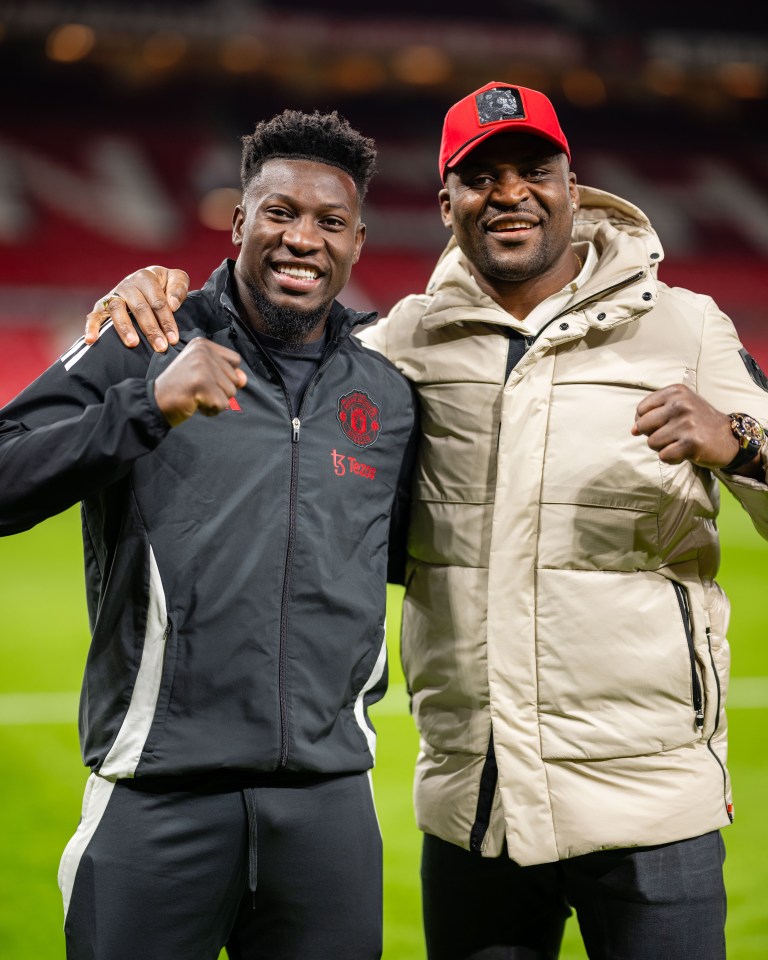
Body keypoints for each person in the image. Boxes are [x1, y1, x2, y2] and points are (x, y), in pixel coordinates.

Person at [85, 82, 768, 960]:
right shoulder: (399, 343)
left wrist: (744, 444)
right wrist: (155, 293)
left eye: (534, 169)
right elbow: (275, 344)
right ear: (446, 202)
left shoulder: (686, 326)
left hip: (650, 807)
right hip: (475, 812)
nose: (510, 192)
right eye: (481, 177)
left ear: (574, 184)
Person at [0, 109, 418, 960]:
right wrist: (144, 409)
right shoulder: (142, 340)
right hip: (158, 796)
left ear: (359, 243)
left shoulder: (389, 394)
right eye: (280, 213)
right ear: (237, 223)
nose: (304, 238)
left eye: (329, 222)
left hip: (328, 804)